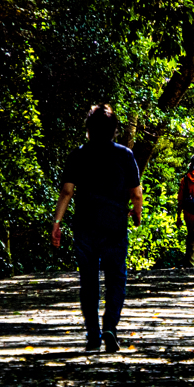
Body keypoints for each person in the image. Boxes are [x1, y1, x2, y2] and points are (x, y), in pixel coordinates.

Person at [51, 104, 143, 353]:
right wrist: (137, 215)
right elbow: (136, 193)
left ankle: (93, 335)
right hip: (114, 224)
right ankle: (110, 326)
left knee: (88, 282)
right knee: (116, 278)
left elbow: (67, 191)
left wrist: (56, 223)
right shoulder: (125, 155)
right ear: (114, 130)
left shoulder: (78, 155)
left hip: (85, 225)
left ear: (89, 129)